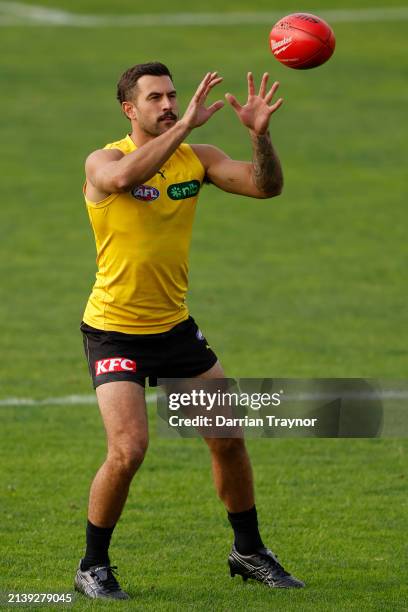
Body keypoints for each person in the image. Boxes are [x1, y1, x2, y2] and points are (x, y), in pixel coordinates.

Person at [74, 62, 304, 600]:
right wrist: (182, 129)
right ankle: (93, 565)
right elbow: (125, 179)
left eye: (172, 96)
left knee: (228, 438)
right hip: (113, 329)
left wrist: (259, 135)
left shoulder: (196, 161)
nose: (169, 104)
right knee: (128, 450)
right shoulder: (103, 159)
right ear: (129, 109)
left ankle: (248, 550)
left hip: (174, 328)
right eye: (155, 98)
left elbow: (265, 187)